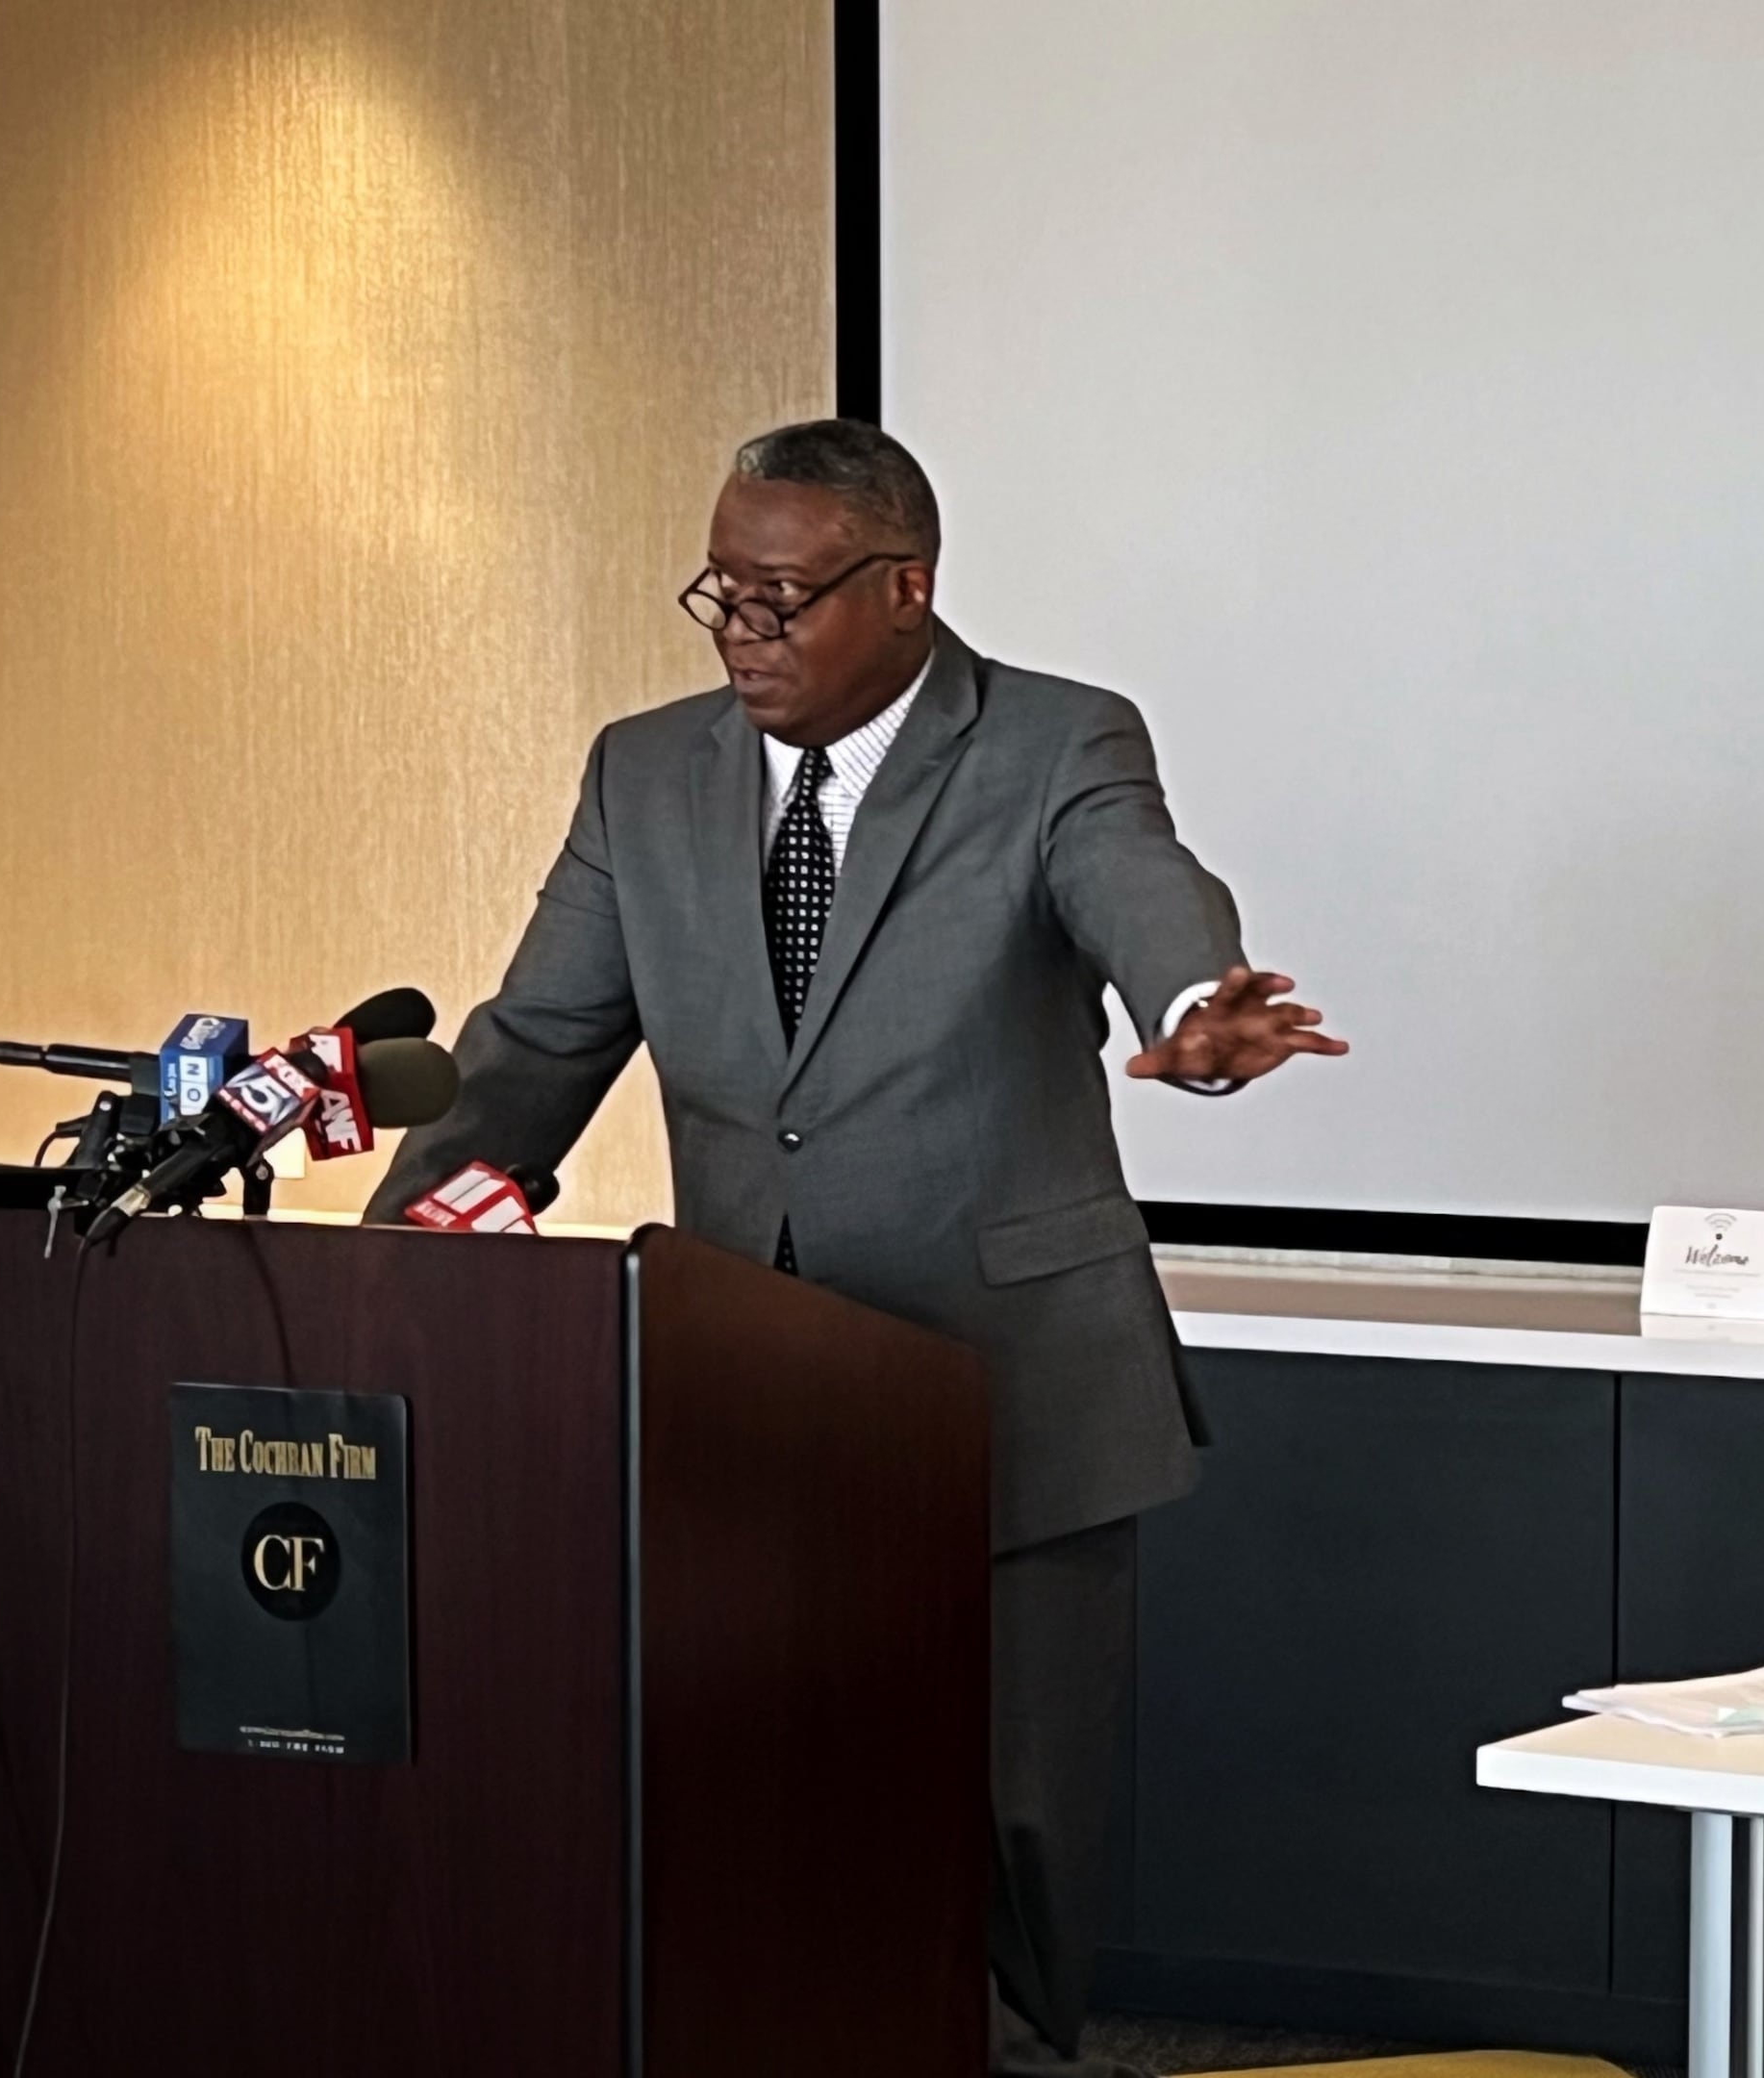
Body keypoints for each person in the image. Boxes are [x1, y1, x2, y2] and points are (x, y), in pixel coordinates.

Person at [368, 419, 1346, 2078]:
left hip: (1010, 1386)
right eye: (722, 594)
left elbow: (1144, 891)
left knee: (1011, 1831)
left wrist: (1193, 1007)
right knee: (762, 1813)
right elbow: (535, 1043)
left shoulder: (1053, 742)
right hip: (737, 1397)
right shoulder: (646, 772)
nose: (745, 631)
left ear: (906, 589)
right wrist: (388, 1262)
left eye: (786, 598)